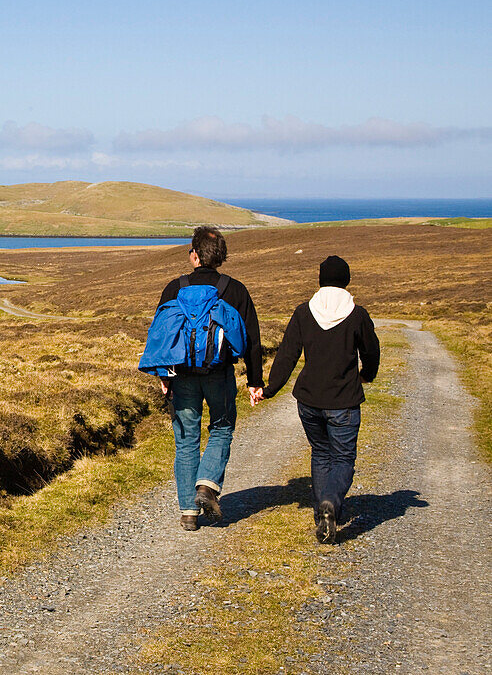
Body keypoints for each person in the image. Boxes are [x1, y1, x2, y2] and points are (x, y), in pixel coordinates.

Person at [261, 255, 380, 543]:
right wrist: (367, 375)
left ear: (321, 279)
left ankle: (321, 513)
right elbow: (372, 351)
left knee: (321, 453)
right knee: (343, 458)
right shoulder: (357, 314)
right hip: (344, 402)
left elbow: (287, 354)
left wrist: (269, 389)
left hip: (309, 401)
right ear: (346, 280)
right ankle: (331, 504)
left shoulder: (304, 312)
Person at [154, 226, 264, 531]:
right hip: (219, 374)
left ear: (194, 255)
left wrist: (164, 376)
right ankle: (207, 485)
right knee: (222, 427)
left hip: (183, 376)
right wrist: (255, 381)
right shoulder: (235, 290)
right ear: (221, 257)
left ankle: (189, 511)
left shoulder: (175, 288)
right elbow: (252, 340)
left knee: (186, 439)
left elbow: (163, 336)